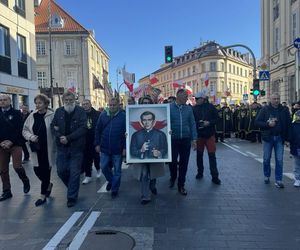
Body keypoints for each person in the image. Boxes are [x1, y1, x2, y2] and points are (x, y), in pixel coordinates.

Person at [51, 92, 87, 207]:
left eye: (71, 100)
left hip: (76, 148)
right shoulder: (59, 111)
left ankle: (71, 197)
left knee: (75, 173)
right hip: (62, 147)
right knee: (61, 171)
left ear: (74, 100)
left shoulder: (81, 111)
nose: (68, 102)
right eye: (66, 100)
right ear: (63, 100)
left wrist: (68, 138)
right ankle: (73, 188)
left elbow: (83, 128)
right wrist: (59, 136)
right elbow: (53, 127)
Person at [22, 94, 55, 206]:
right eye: (36, 103)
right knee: (37, 170)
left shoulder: (52, 115)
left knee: (46, 171)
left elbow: (57, 129)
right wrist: (31, 137)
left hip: (48, 148)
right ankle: (48, 185)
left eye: (40, 103)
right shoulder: (32, 115)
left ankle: (42, 195)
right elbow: (25, 130)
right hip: (36, 148)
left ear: (46, 104)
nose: (37, 105)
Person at [131, 96, 165, 204]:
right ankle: (145, 196)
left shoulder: (161, 134)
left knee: (153, 174)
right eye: (144, 120)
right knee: (144, 174)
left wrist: (160, 153)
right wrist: (140, 150)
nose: (147, 122)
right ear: (141, 121)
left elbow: (165, 148)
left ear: (153, 121)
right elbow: (132, 151)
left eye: (149, 120)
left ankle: (152, 185)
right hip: (142, 159)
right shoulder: (136, 135)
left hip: (154, 158)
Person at [255, 93, 291, 188]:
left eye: (278, 99)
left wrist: (287, 139)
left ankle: (278, 180)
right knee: (266, 158)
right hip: (268, 138)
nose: (276, 100)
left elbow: (288, 124)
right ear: (270, 99)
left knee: (279, 160)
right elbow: (257, 122)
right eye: (274, 99)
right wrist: (268, 125)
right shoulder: (265, 109)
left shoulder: (284, 109)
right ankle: (267, 175)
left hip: (279, 138)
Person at [0, 94, 30, 201]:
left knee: (17, 166)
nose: (2, 102)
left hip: (15, 144)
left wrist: (11, 141)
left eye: (4, 100)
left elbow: (20, 129)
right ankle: (6, 191)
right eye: (1, 100)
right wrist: (1, 142)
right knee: (3, 170)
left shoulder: (17, 113)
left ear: (10, 101)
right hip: (2, 146)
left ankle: (25, 180)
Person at [95, 97, 126, 198]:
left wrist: (125, 148)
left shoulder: (123, 116)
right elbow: (98, 130)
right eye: (110, 105)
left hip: (118, 148)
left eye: (114, 105)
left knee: (117, 170)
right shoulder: (103, 115)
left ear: (118, 105)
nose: (112, 107)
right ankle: (111, 181)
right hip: (104, 147)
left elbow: (127, 134)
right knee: (104, 167)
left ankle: (114, 189)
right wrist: (97, 144)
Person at [169, 89, 197, 195]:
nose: (187, 98)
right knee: (172, 161)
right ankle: (173, 177)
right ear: (178, 96)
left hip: (185, 139)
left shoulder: (188, 109)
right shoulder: (169, 107)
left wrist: (194, 139)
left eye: (187, 96)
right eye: (185, 96)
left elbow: (192, 123)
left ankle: (181, 185)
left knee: (184, 163)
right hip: (173, 139)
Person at [193, 91, 221, 184]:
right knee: (199, 156)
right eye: (195, 99)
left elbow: (217, 119)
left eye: (197, 99)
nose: (196, 100)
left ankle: (215, 176)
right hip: (199, 135)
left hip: (210, 134)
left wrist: (209, 123)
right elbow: (192, 122)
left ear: (202, 99)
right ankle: (200, 172)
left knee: (212, 156)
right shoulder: (194, 108)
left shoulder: (211, 107)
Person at [81, 99, 101, 184]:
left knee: (96, 156)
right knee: (86, 158)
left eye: (86, 104)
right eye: (83, 104)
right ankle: (88, 175)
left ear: (90, 104)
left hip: (95, 139)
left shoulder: (98, 114)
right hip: (84, 139)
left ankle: (98, 168)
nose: (85, 105)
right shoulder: (81, 115)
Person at [290, 110, 300, 187]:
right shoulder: (293, 125)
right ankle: (297, 179)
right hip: (296, 147)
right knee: (296, 164)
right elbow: (291, 137)